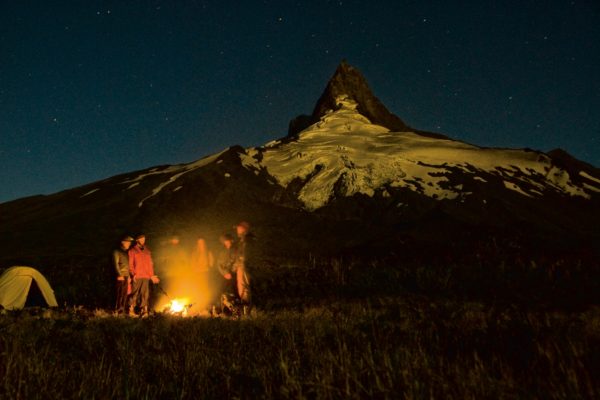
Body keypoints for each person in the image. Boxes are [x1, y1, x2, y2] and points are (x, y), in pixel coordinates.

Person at [128, 234, 159, 317]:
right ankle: (131, 310)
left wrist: (152, 276)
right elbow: (130, 264)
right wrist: (133, 274)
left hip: (146, 276)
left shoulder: (147, 251)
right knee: (135, 293)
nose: (143, 240)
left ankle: (144, 311)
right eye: (141, 239)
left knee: (145, 294)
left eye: (144, 239)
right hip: (137, 275)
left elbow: (150, 265)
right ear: (137, 240)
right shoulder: (132, 251)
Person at [233, 221, 253, 315]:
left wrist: (240, 264)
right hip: (241, 266)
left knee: (245, 288)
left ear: (243, 229)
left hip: (244, 266)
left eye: (238, 228)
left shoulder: (247, 240)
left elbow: (244, 254)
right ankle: (245, 310)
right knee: (242, 287)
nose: (237, 230)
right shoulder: (242, 240)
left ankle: (247, 311)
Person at [112, 235, 133, 314]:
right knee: (119, 294)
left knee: (124, 294)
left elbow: (127, 266)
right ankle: (117, 310)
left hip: (126, 276)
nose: (129, 244)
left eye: (129, 242)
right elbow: (116, 264)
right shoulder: (116, 251)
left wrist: (129, 276)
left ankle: (122, 310)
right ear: (122, 242)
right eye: (127, 242)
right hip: (120, 276)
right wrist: (119, 274)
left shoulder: (126, 253)